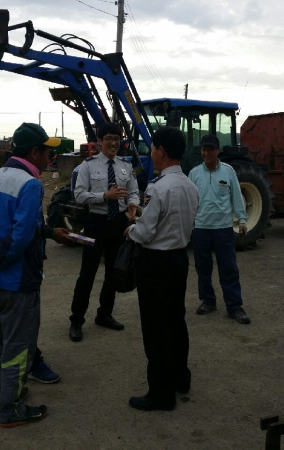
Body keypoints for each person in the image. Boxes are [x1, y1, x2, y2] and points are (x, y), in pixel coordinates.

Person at [0, 122, 67, 427]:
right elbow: (19, 237)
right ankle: (11, 408)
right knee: (19, 348)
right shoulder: (30, 185)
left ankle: (3, 392)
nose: (49, 157)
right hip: (18, 283)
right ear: (34, 152)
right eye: (47, 152)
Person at [125, 126, 199, 411]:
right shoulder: (190, 185)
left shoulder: (157, 188)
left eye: (153, 148)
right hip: (179, 259)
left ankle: (161, 393)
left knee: (155, 328)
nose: (152, 153)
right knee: (176, 321)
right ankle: (181, 377)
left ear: (161, 151)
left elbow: (144, 231)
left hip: (156, 263)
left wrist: (131, 230)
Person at [69, 122, 139, 342]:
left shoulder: (126, 166)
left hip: (118, 224)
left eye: (117, 139)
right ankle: (76, 321)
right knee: (87, 274)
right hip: (95, 224)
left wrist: (133, 204)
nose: (113, 143)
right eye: (108, 138)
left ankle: (104, 314)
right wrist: (104, 196)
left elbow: (134, 191)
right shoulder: (88, 166)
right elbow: (79, 195)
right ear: (99, 142)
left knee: (113, 272)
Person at [188, 134, 251, 324]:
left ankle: (234, 306)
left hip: (223, 228)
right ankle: (208, 301)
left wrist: (242, 220)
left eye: (210, 149)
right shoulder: (194, 173)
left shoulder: (228, 171)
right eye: (203, 149)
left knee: (229, 268)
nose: (206, 153)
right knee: (203, 268)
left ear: (218, 151)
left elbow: (236, 197)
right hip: (200, 228)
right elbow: (189, 202)